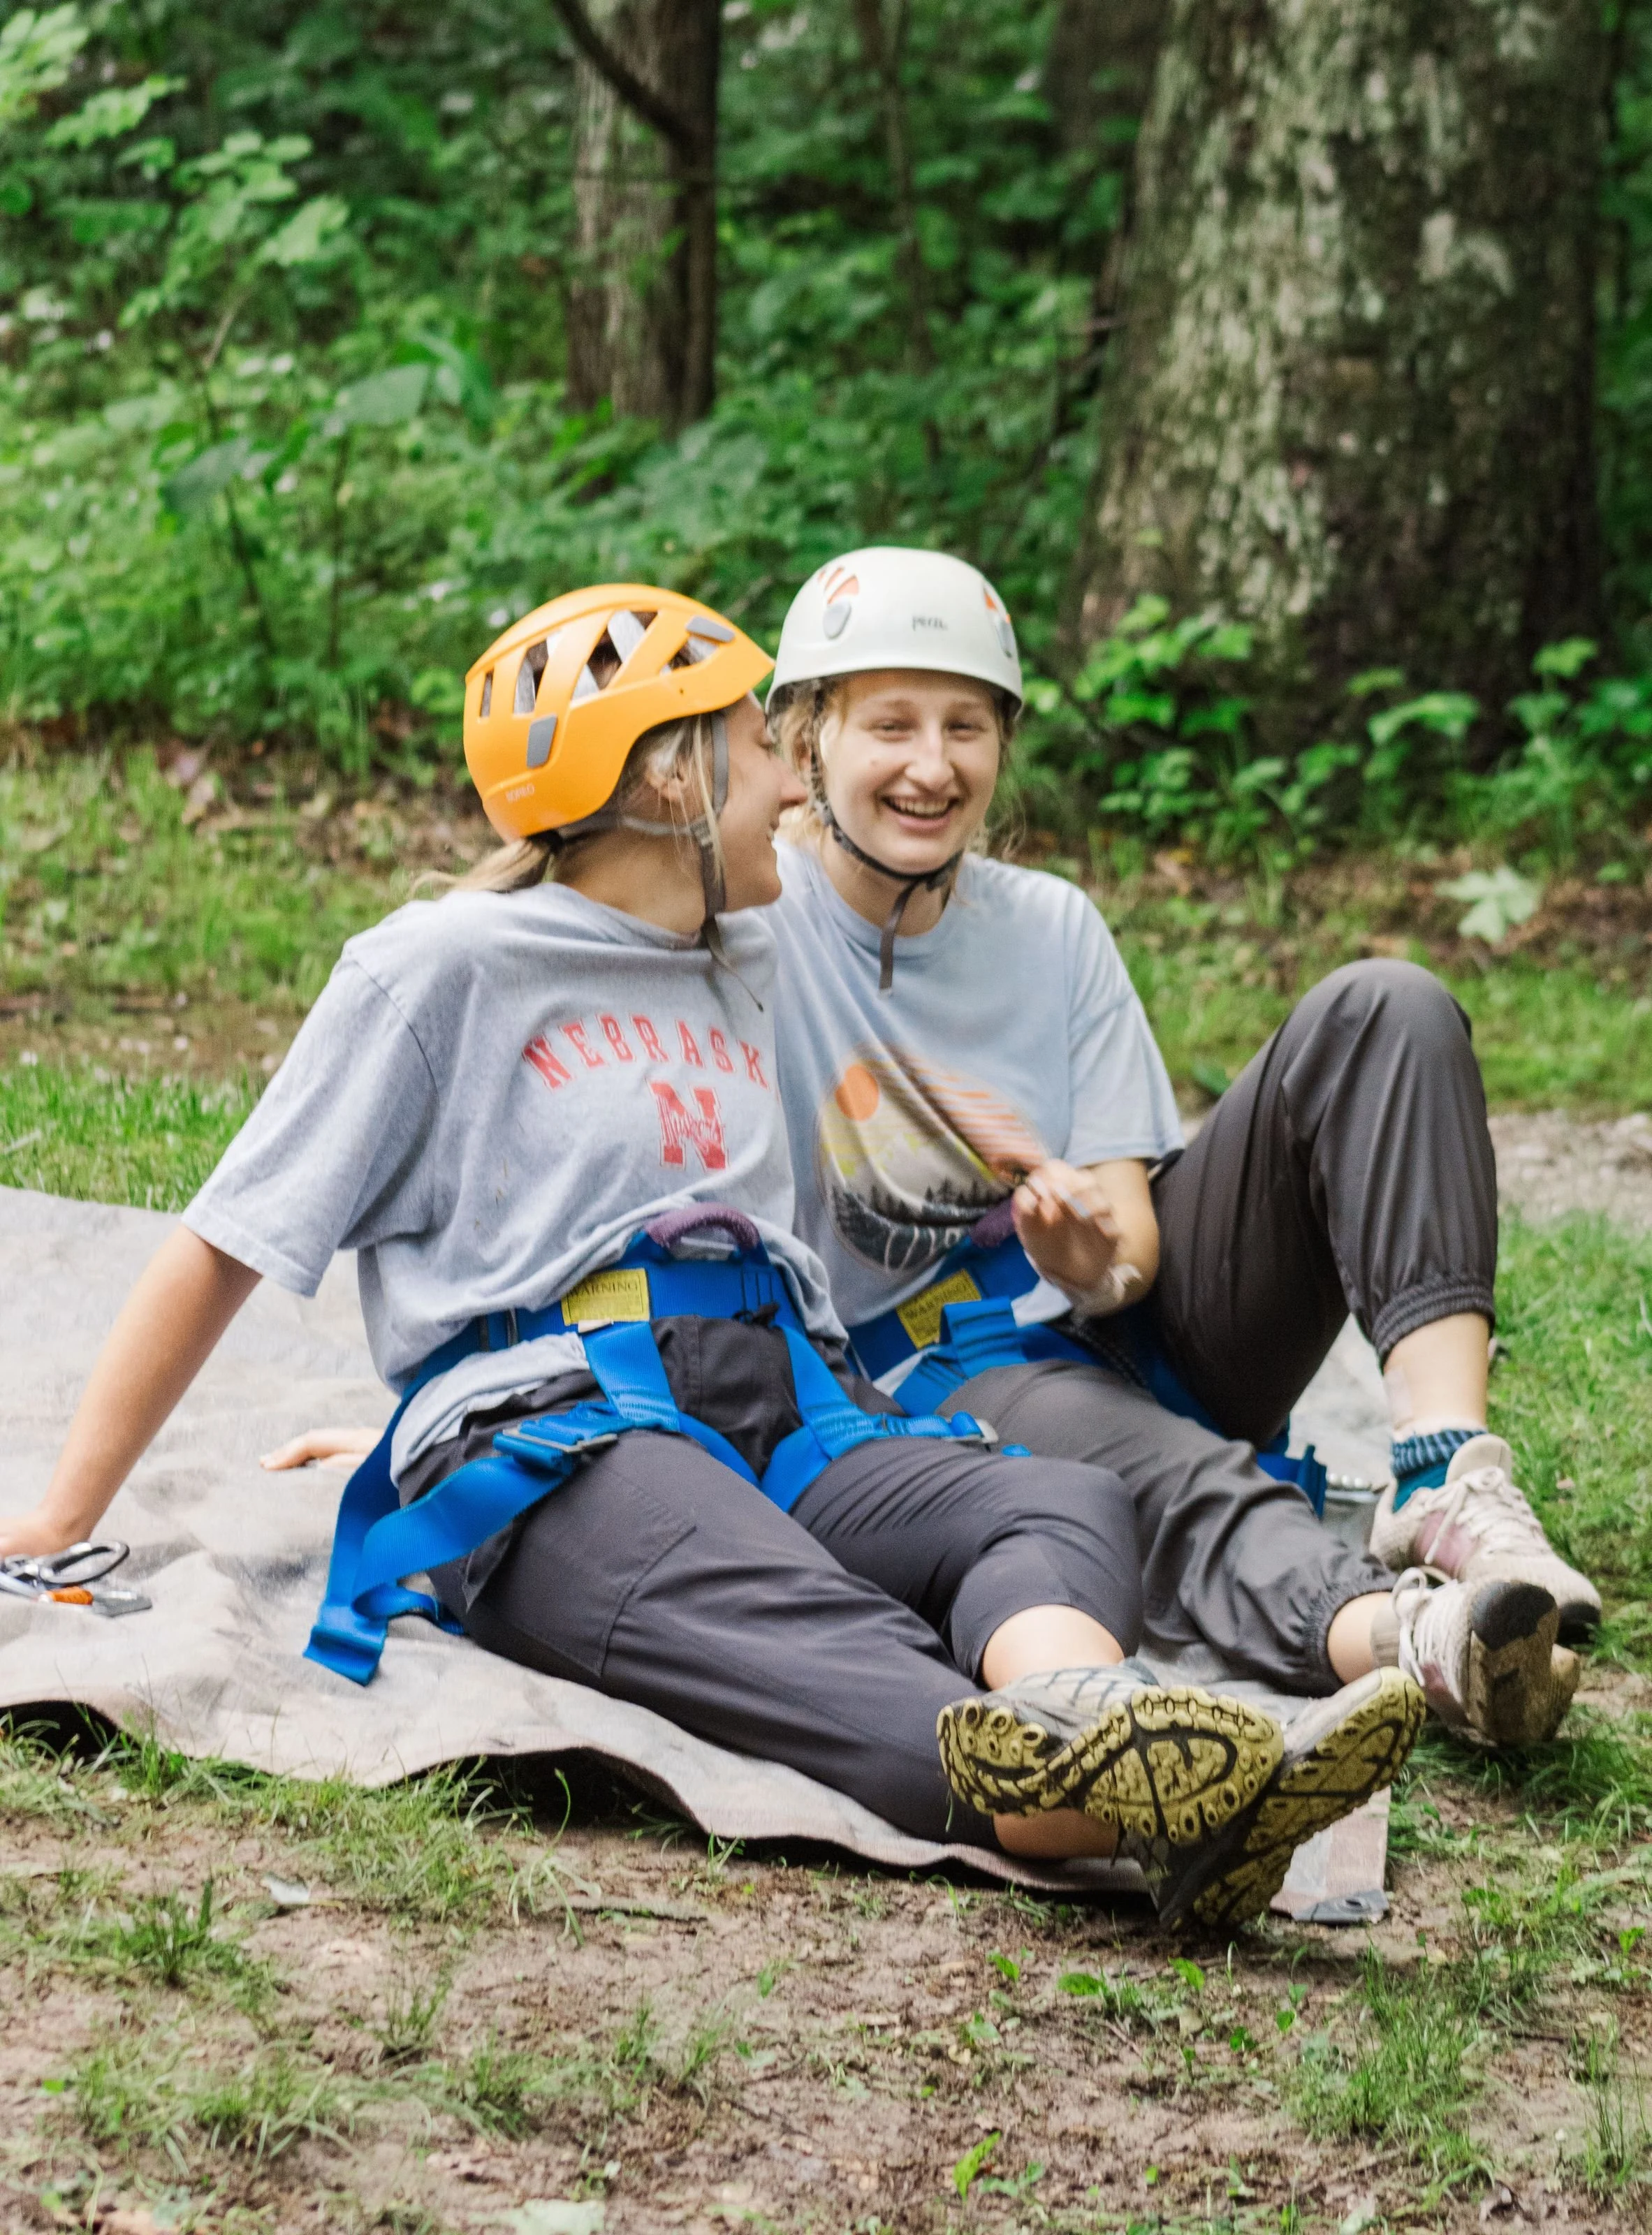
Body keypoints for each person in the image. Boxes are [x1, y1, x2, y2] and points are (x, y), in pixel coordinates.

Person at [0, 583, 1422, 1928]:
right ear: (674, 783)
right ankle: (1044, 1796)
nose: (798, 788)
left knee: (1055, 1503)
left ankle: (1094, 1719)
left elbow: (920, 939)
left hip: (783, 1403)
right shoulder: (439, 969)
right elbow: (222, 1243)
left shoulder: (746, 950)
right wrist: (65, 1509)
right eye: (763, 752)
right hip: (560, 1427)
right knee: (777, 1599)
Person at [761, 545, 1599, 1752]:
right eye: (889, 725)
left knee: (1387, 1008)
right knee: (1193, 1485)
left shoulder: (1050, 926)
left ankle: (1446, 1480)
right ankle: (1425, 1644)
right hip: (937, 1375)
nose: (932, 767)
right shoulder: (754, 921)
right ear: (808, 746)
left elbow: (1133, 1260)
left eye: (967, 727)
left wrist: (1087, 1249)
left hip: (1122, 1321)